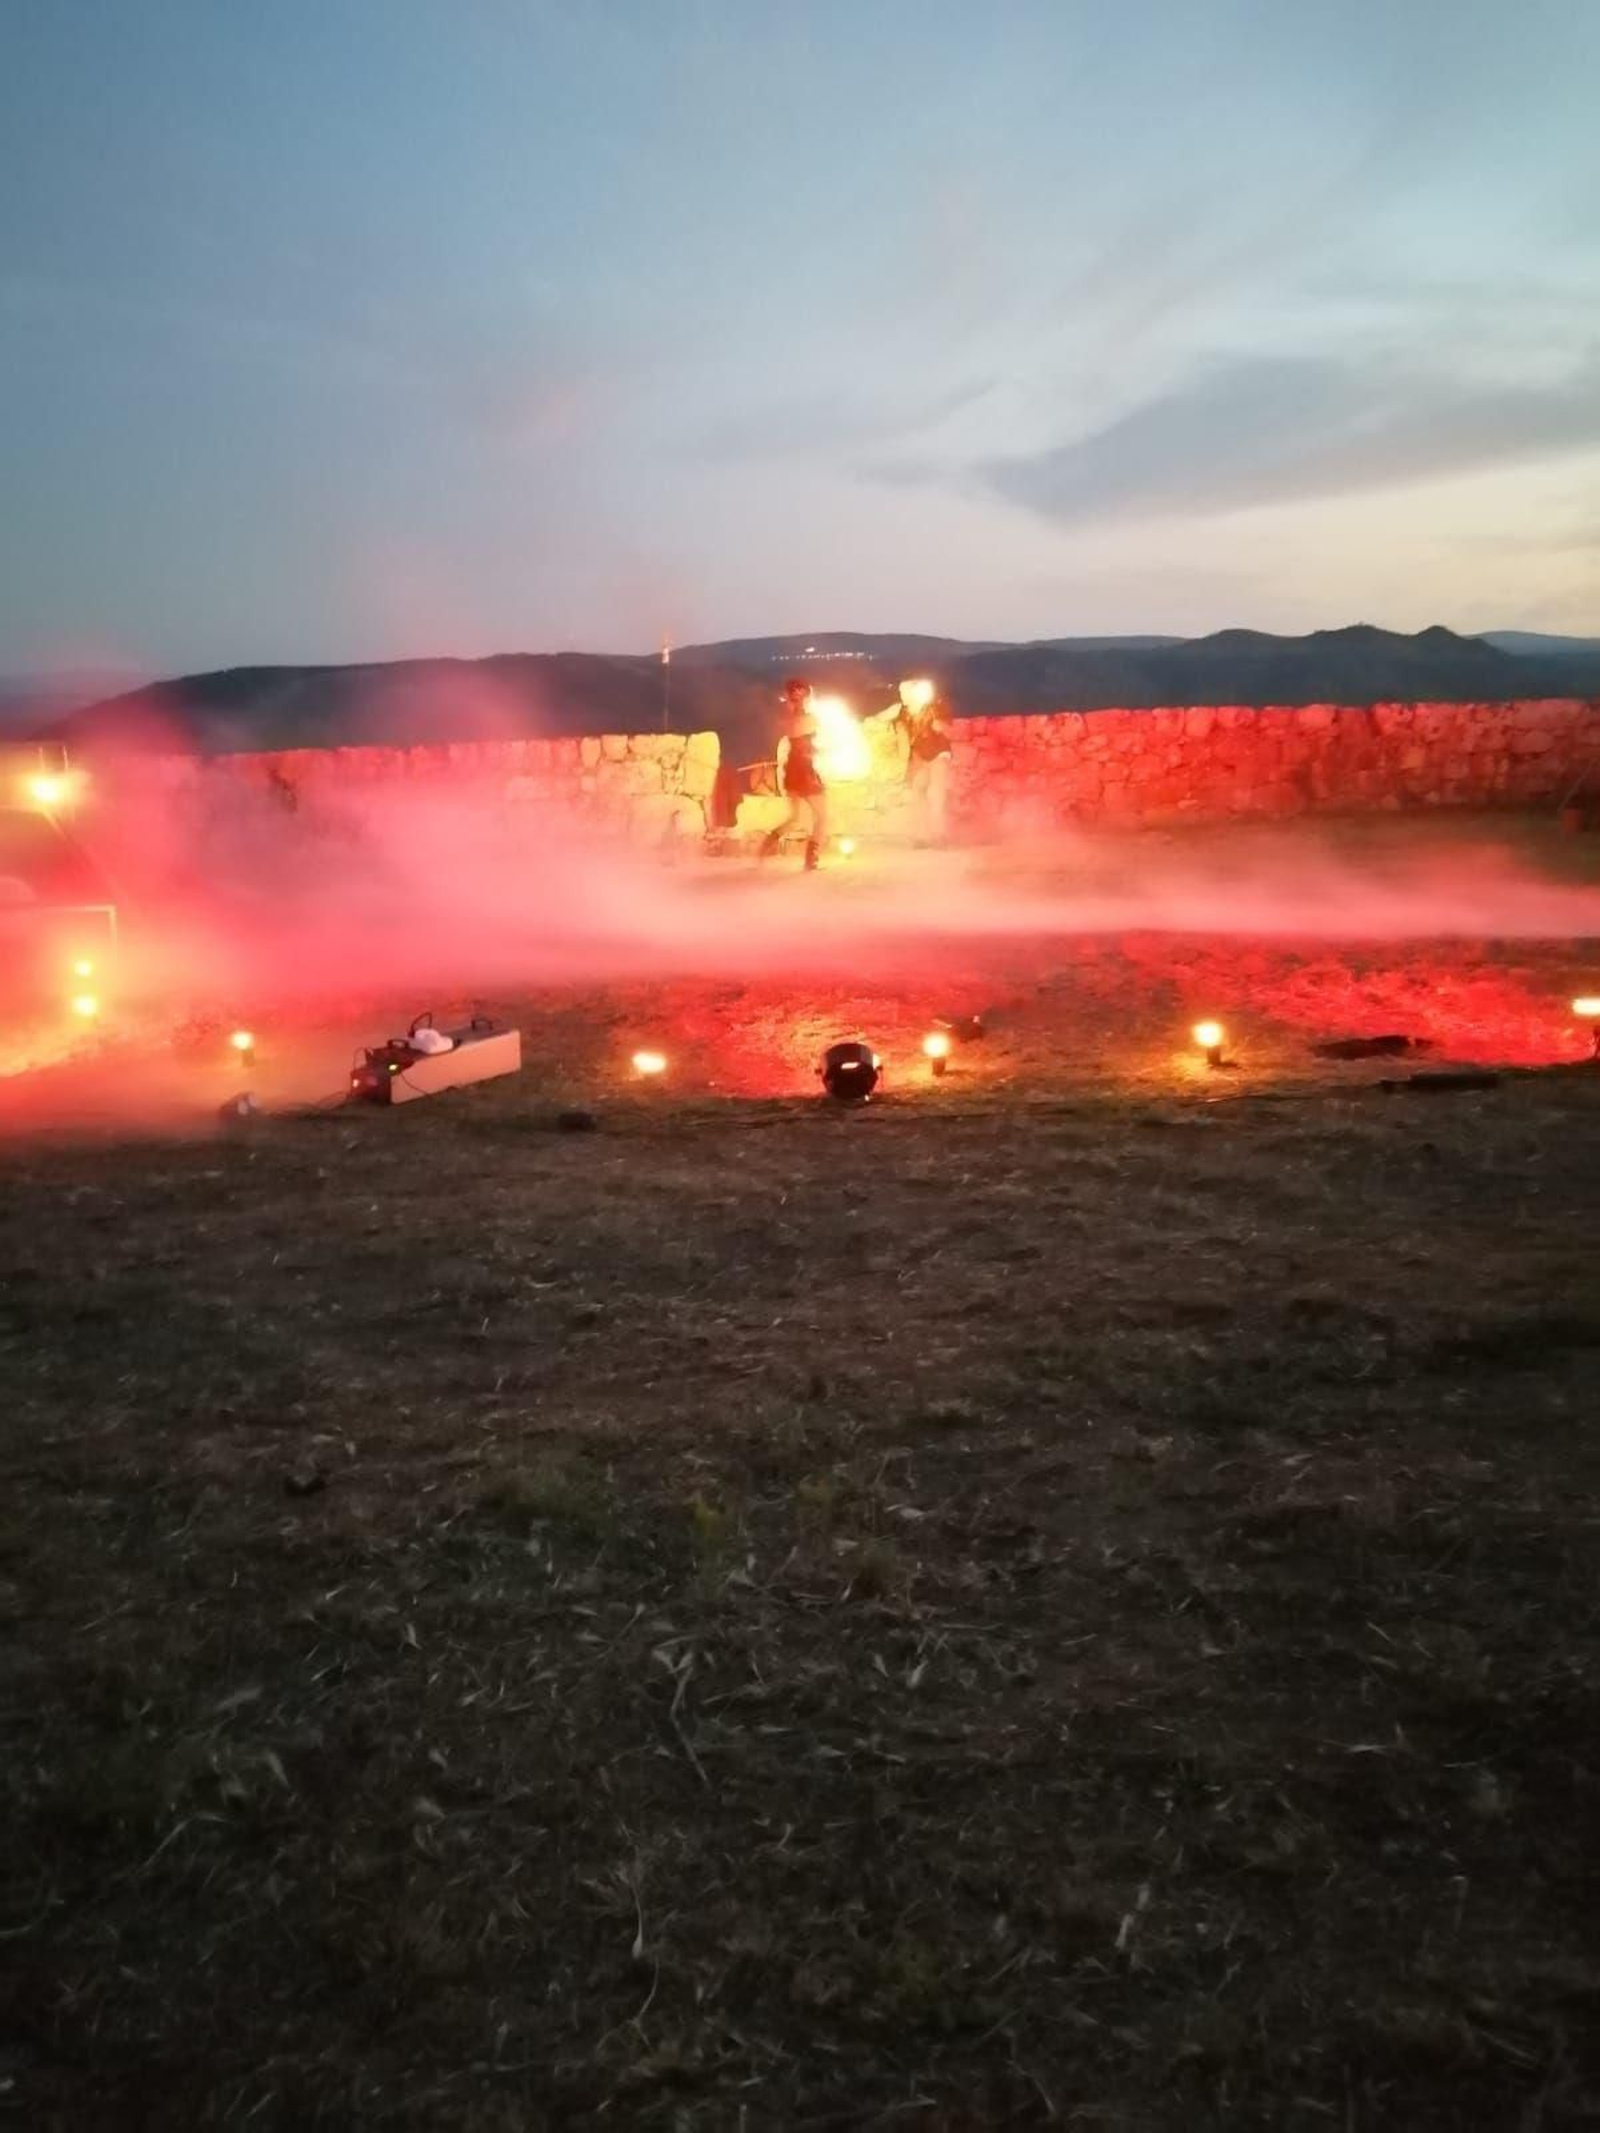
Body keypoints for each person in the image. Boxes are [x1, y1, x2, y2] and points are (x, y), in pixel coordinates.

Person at [872, 678, 953, 844]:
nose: (902, 695)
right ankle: (922, 835)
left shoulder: (933, 707)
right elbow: (881, 718)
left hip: (939, 755)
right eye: (901, 692)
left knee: (937, 795)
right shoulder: (903, 711)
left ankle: (939, 835)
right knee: (918, 792)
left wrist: (940, 725)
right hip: (920, 757)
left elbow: (946, 727)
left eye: (904, 692)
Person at [761, 676, 827, 870]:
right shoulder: (804, 719)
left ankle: (766, 845)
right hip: (803, 772)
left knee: (795, 818)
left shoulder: (791, 718)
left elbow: (800, 741)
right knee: (822, 817)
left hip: (793, 771)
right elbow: (805, 742)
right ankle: (811, 860)